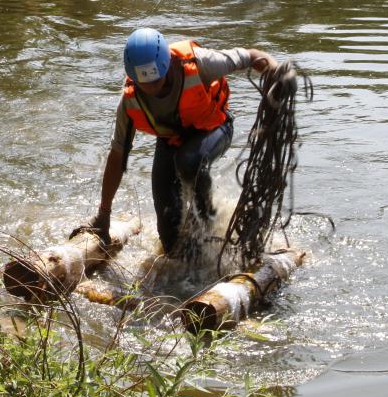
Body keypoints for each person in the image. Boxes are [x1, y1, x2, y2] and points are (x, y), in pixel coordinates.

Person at [89, 29, 277, 256]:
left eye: (157, 80)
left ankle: (207, 220)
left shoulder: (201, 64)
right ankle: (181, 264)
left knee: (189, 161)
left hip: (215, 128)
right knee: (169, 233)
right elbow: (118, 155)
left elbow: (251, 56)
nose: (151, 88)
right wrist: (104, 213)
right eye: (143, 83)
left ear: (167, 65)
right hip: (171, 140)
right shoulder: (129, 103)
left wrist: (277, 73)